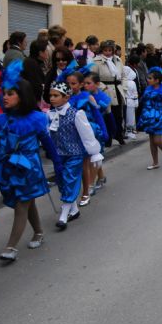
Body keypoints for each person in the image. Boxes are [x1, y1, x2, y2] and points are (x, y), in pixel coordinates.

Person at [0, 61, 63, 261]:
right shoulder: (3, 120)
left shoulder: (37, 118)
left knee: (23, 204)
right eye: (4, 93)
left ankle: (10, 247)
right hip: (11, 169)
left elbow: (48, 143)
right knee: (26, 202)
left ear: (22, 96)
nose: (4, 97)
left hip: (29, 169)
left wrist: (57, 164)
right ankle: (38, 231)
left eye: (10, 93)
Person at [47, 78, 103, 230]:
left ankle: (64, 215)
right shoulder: (49, 115)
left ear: (66, 97)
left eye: (56, 95)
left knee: (70, 180)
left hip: (74, 154)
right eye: (51, 95)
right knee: (62, 182)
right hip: (58, 155)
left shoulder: (77, 114)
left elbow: (87, 135)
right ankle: (74, 210)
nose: (52, 98)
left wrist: (94, 153)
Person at [137, 67, 162, 169]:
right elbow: (143, 102)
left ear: (157, 80)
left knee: (157, 140)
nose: (147, 80)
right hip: (148, 117)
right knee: (151, 141)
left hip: (159, 117)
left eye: (150, 78)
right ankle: (155, 162)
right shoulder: (147, 89)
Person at [92, 40, 127, 146]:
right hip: (106, 90)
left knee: (119, 115)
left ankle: (119, 135)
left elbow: (123, 75)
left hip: (118, 89)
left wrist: (124, 87)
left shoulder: (117, 60)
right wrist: (103, 88)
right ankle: (108, 138)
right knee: (107, 115)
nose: (108, 52)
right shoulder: (96, 61)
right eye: (105, 50)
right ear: (102, 50)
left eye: (110, 50)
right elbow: (93, 77)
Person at [22, 39, 50, 105]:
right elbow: (35, 85)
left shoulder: (34, 62)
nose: (47, 53)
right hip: (32, 101)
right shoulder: (31, 64)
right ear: (40, 53)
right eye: (46, 50)